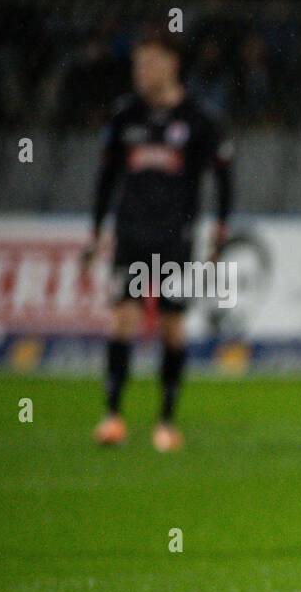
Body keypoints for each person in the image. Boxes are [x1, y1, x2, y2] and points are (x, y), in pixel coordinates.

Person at [86, 33, 233, 451]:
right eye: (138, 65)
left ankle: (166, 422)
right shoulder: (125, 116)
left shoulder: (199, 118)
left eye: (149, 63)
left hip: (176, 239)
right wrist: (96, 231)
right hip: (130, 234)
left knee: (172, 328)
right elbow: (105, 178)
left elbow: (223, 175)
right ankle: (112, 416)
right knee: (122, 321)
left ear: (172, 65)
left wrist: (220, 228)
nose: (142, 72)